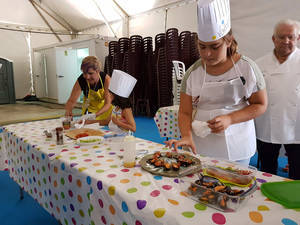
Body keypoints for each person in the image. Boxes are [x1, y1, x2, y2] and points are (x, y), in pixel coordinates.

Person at [166, 0, 267, 166]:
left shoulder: (247, 68)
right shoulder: (192, 74)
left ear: (228, 41)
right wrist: (186, 135)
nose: (207, 54)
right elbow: (184, 112)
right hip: (203, 144)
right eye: (202, 46)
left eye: (214, 47)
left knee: (235, 185)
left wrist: (230, 119)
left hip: (238, 141)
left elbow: (260, 105)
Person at [255, 19, 300, 179]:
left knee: (297, 173)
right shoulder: (259, 64)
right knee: (267, 170)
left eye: (291, 37)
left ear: (298, 38)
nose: (286, 41)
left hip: (297, 125)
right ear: (273, 39)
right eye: (281, 37)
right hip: (267, 124)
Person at [65, 56, 113, 125]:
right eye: (84, 73)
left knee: (106, 125)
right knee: (88, 126)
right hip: (90, 107)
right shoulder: (81, 80)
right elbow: (71, 100)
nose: (87, 77)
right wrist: (68, 110)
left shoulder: (106, 80)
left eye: (90, 73)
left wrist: (95, 115)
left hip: (104, 108)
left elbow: (108, 103)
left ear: (98, 71)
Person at [108, 70, 137, 134]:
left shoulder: (126, 110)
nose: (109, 95)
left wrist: (118, 123)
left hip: (124, 139)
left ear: (117, 96)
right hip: (115, 136)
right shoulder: (115, 107)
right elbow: (108, 121)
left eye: (111, 93)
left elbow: (133, 128)